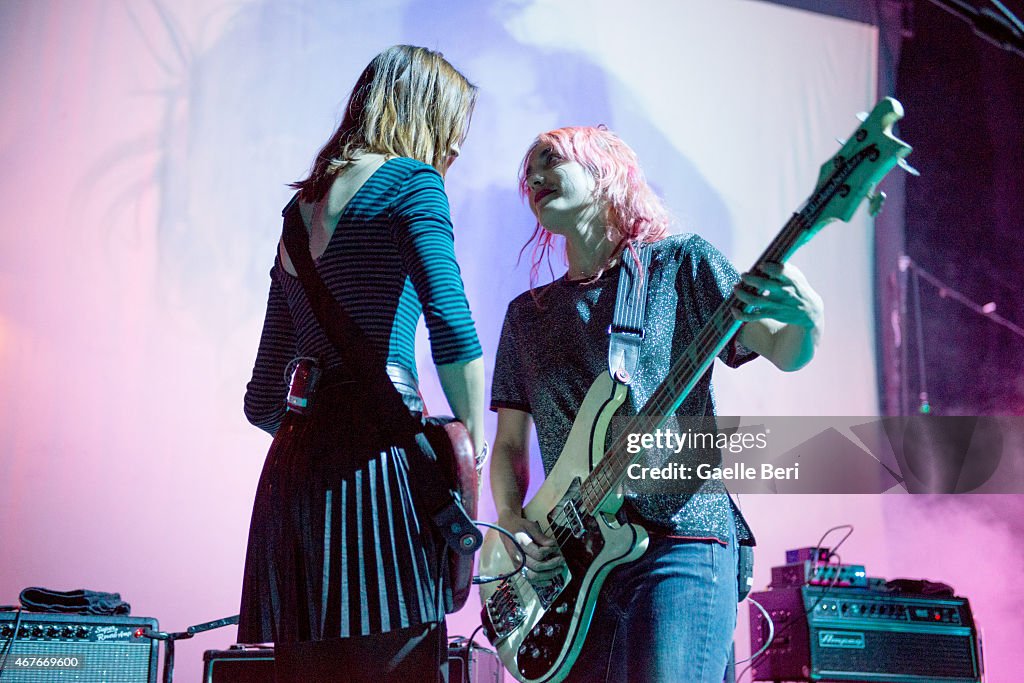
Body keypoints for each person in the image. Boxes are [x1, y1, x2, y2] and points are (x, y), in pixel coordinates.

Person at [489, 126, 823, 682]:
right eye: (529, 172)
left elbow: (781, 349)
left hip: (681, 542)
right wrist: (512, 521)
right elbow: (508, 446)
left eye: (551, 161)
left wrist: (806, 321)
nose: (535, 177)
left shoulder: (682, 265)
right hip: (572, 565)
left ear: (605, 174)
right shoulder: (527, 316)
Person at [237, 45, 485, 682]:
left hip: (293, 481)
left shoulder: (296, 215)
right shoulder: (411, 183)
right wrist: (471, 450)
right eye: (453, 128)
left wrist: (316, 444)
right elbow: (451, 327)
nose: (454, 149)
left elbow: (263, 395)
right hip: (381, 467)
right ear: (425, 114)